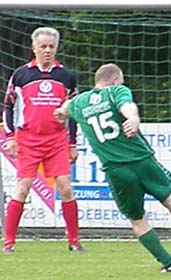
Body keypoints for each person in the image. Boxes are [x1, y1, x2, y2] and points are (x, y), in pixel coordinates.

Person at [53, 63, 171, 273]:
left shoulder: (78, 103)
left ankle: (169, 263)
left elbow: (63, 108)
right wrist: (133, 118)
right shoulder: (116, 91)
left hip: (117, 170)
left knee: (137, 220)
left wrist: (60, 113)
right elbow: (127, 105)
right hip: (142, 160)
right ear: (115, 80)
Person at [2, 27, 83, 253]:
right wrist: (10, 137)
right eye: (43, 47)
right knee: (22, 188)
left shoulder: (66, 76)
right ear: (34, 48)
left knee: (66, 188)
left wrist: (72, 144)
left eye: (51, 47)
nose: (47, 51)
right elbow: (8, 106)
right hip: (28, 139)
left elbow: (73, 111)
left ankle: (74, 241)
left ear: (56, 48)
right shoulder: (21, 75)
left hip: (56, 140)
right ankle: (9, 242)